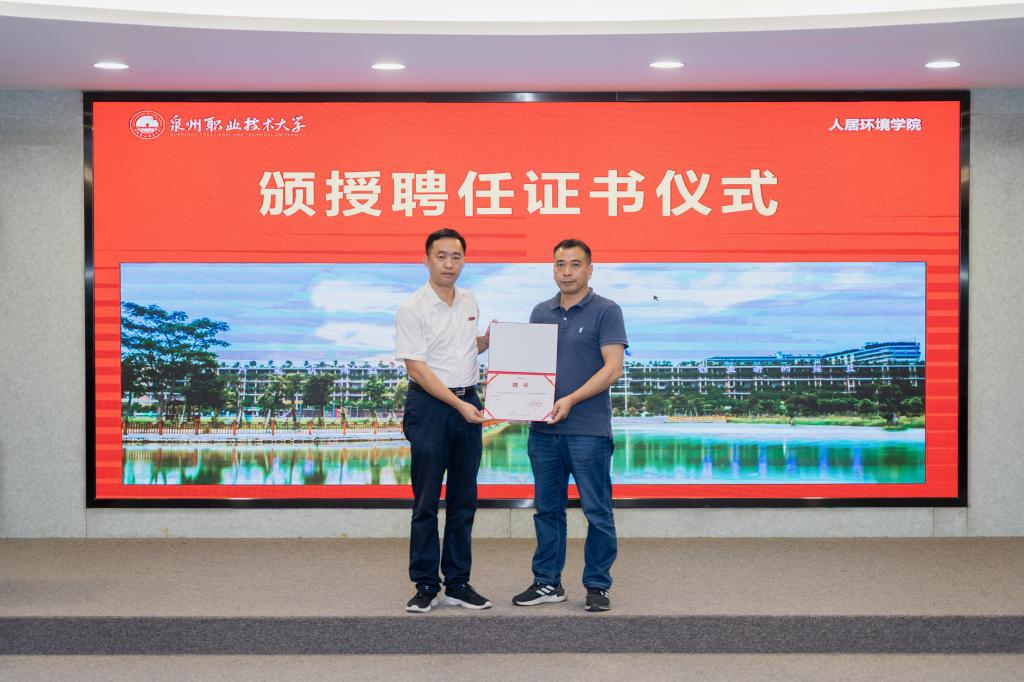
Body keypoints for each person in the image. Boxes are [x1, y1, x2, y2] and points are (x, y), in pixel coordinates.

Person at [513, 238, 627, 612]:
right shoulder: (540, 312)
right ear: (553, 269)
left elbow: (613, 368)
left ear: (589, 270)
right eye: (560, 264)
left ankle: (597, 585)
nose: (567, 272)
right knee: (547, 511)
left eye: (575, 264)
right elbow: (528, 368)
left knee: (597, 511)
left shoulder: (607, 311)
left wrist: (572, 399)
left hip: (588, 431)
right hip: (543, 431)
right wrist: (511, 395)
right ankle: (547, 582)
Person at [395, 228, 492, 613]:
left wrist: (489, 342)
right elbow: (417, 369)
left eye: (456, 257)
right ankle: (424, 584)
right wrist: (458, 405)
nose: (449, 264)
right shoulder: (412, 308)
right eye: (441, 256)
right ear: (426, 260)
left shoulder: (469, 300)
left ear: (464, 260)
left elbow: (464, 348)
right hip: (431, 407)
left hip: (468, 400)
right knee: (426, 501)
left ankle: (458, 583)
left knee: (464, 499)